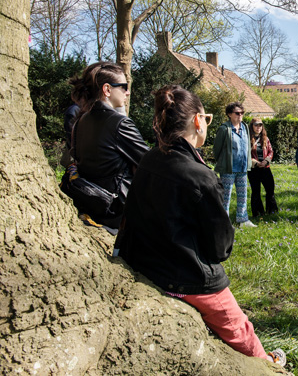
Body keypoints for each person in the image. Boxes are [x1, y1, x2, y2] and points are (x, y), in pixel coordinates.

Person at [115, 85, 286, 367]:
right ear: (197, 120)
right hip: (186, 276)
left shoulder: (148, 159)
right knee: (240, 328)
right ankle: (267, 365)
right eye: (206, 119)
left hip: (143, 263)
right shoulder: (201, 176)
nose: (206, 124)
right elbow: (221, 248)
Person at [67, 62, 149, 233]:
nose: (127, 92)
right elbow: (150, 162)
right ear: (107, 90)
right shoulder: (119, 123)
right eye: (123, 87)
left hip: (90, 201)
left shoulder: (81, 121)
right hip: (117, 209)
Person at [213, 102, 256, 228]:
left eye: (242, 113)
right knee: (225, 196)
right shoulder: (224, 129)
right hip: (228, 169)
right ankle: (224, 222)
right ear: (229, 114)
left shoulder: (245, 127)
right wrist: (223, 161)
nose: (240, 115)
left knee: (243, 195)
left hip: (242, 168)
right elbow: (217, 149)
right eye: (237, 113)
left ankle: (243, 220)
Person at [248, 117, 279, 217]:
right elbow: (247, 154)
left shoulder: (265, 138)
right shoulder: (247, 139)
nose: (258, 127)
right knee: (256, 191)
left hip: (266, 168)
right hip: (254, 169)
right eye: (256, 125)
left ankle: (271, 211)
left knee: (270, 190)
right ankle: (258, 213)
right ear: (252, 126)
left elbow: (270, 151)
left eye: (260, 125)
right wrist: (256, 163)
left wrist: (266, 161)